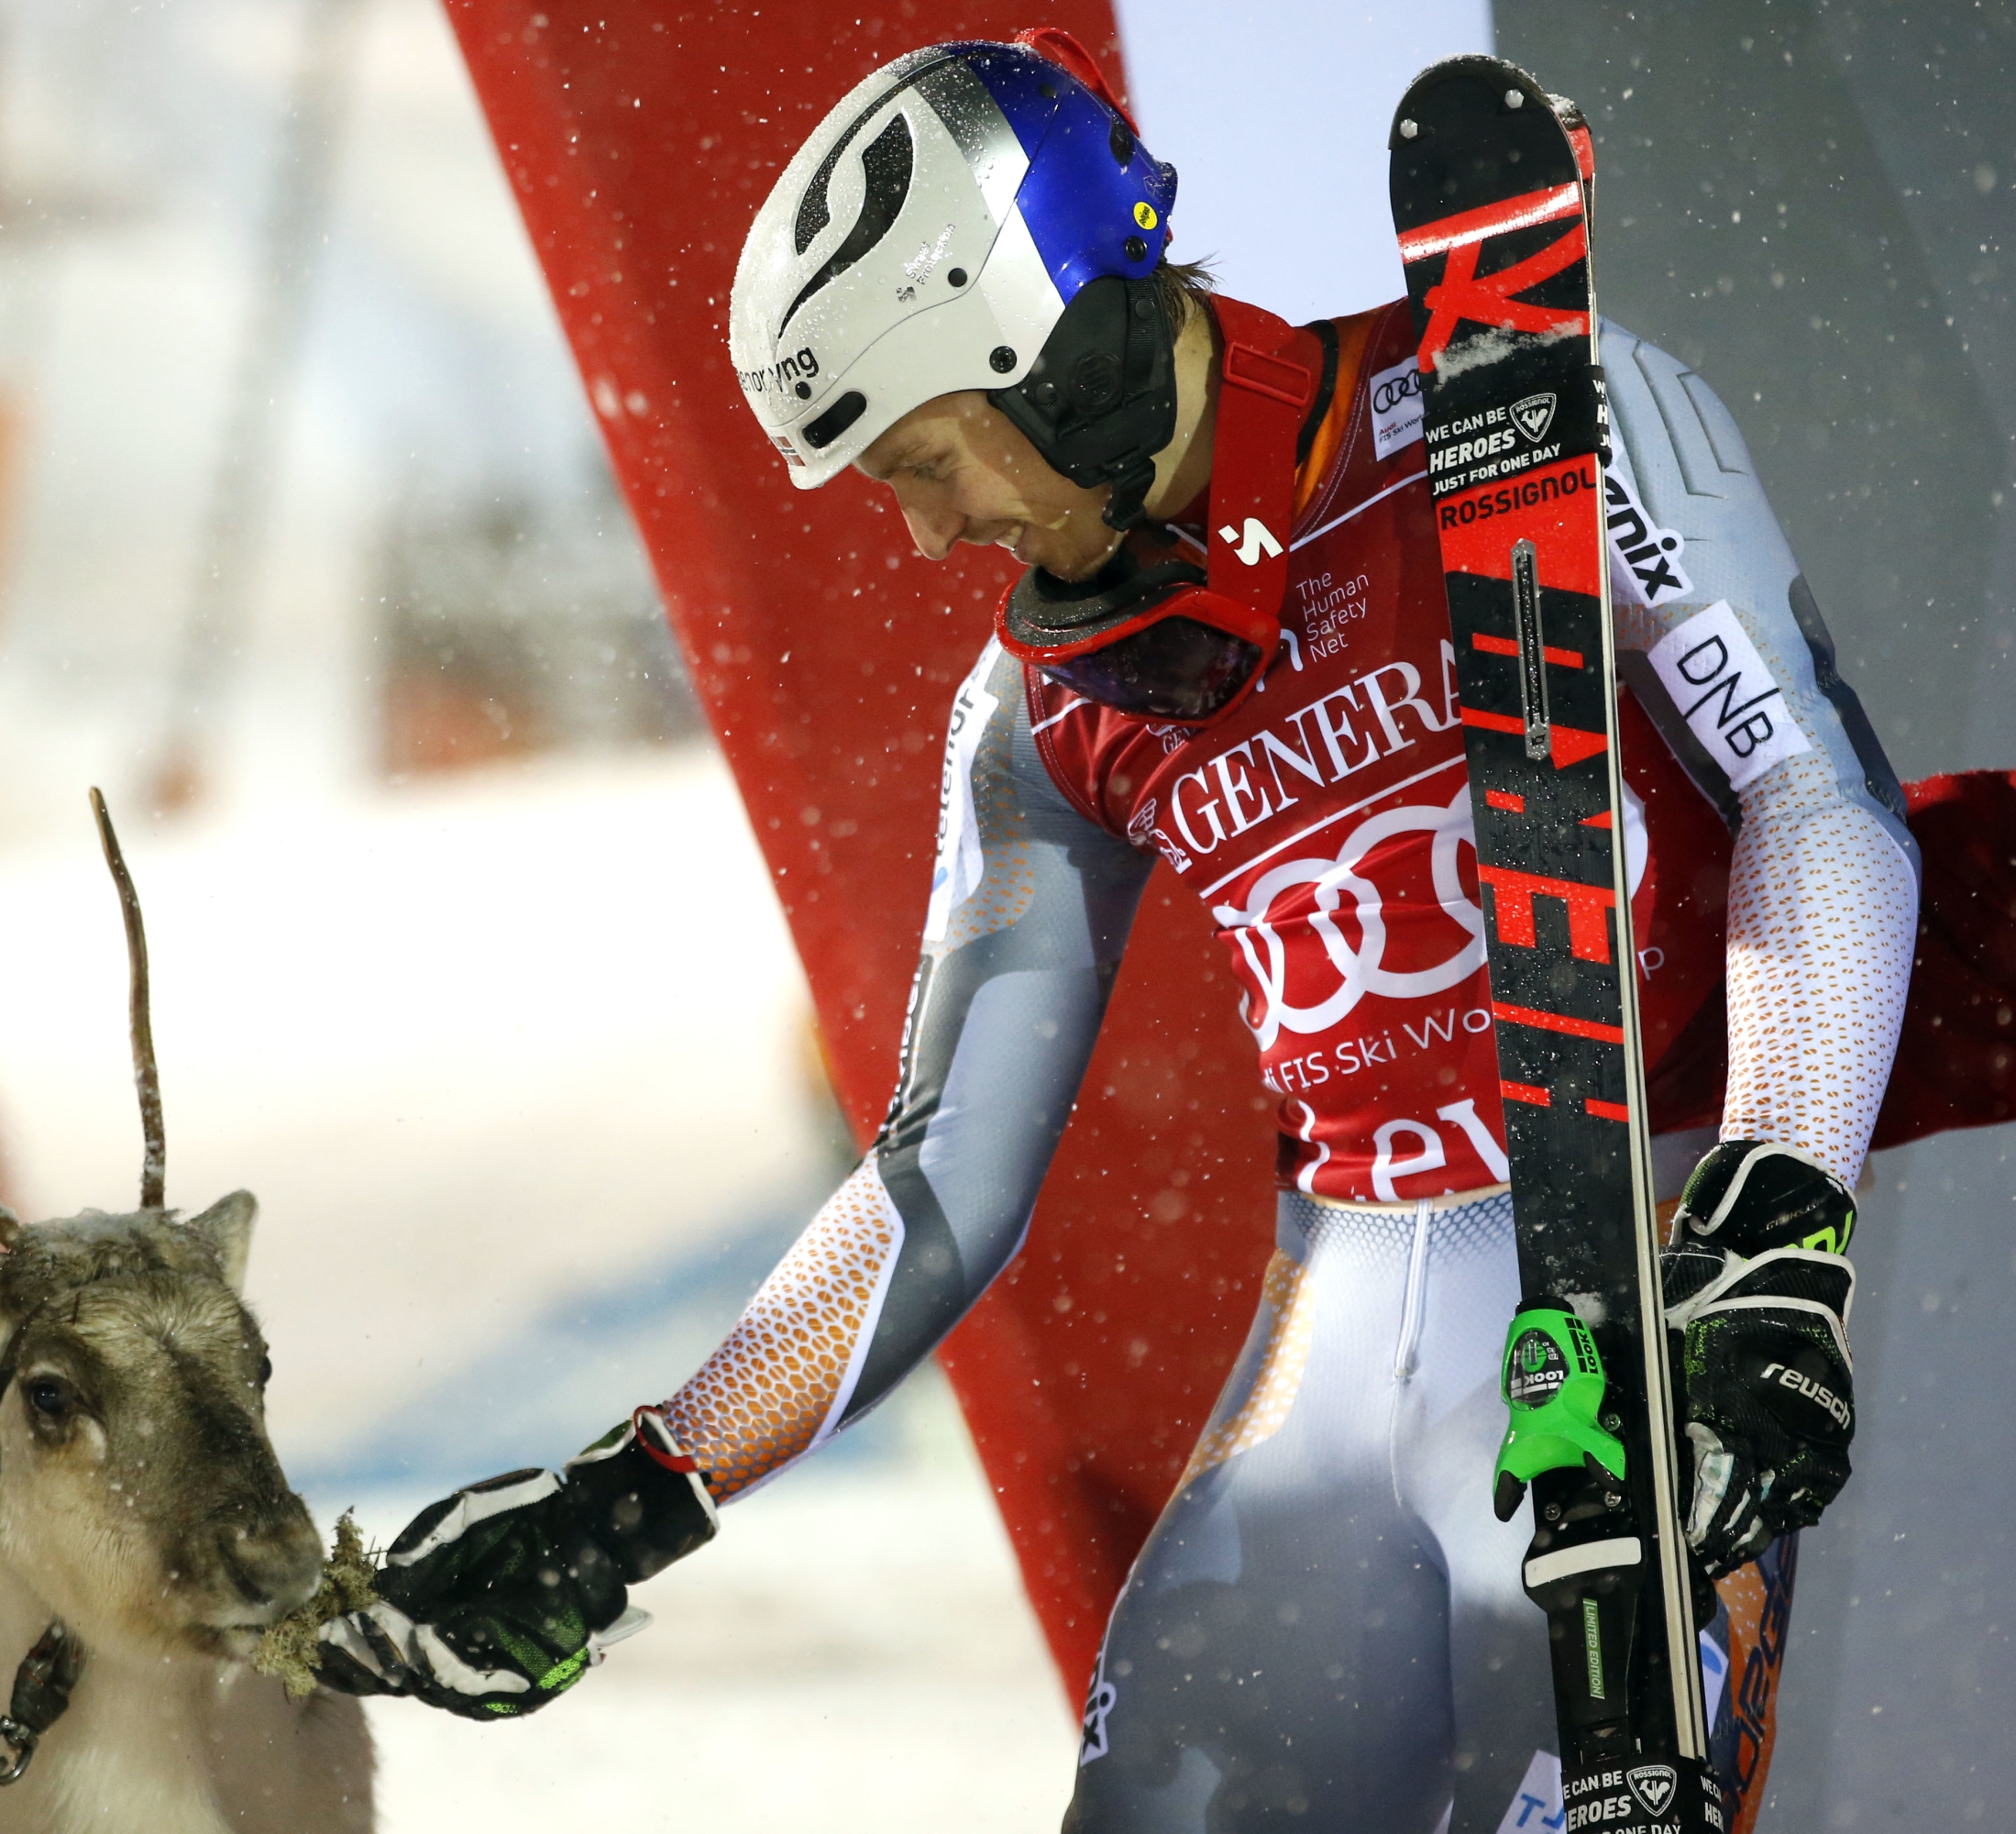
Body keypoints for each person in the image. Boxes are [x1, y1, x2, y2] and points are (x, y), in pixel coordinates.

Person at [307, 33, 1915, 1834]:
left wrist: (1781, 1213)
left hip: (1618, 1297)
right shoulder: (1041, 713)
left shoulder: (1536, 419)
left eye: (927, 458)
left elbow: (1817, 803)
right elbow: (939, 1182)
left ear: (1054, 355)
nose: (927, 535)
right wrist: (641, 1487)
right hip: (1334, 1345)